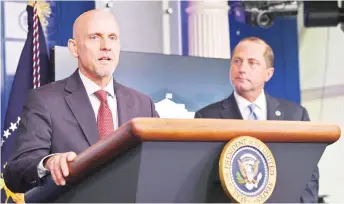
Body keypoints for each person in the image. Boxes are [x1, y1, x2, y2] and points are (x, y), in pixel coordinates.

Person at [4, 9, 159, 193]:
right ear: (74, 47)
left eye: (112, 37)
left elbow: (160, 163)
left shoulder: (143, 103)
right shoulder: (45, 100)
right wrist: (48, 163)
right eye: (95, 37)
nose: (106, 46)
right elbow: (16, 172)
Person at [194, 37, 319, 203]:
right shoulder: (207, 117)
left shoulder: (295, 116)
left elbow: (308, 174)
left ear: (268, 74)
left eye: (252, 63)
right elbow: (202, 181)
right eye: (237, 61)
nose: (242, 68)